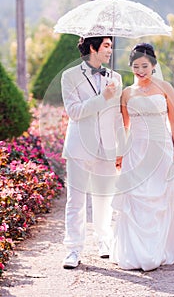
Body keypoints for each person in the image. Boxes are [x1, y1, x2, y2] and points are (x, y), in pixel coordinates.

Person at [110, 43, 174, 271]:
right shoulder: (127, 93)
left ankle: (164, 247)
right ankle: (137, 251)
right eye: (135, 66)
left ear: (153, 65)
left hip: (161, 150)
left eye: (144, 66)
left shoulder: (165, 88)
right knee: (136, 199)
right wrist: (120, 152)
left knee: (162, 198)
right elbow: (125, 126)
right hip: (136, 153)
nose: (140, 70)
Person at [61, 36, 123, 269]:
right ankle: (73, 250)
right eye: (106, 45)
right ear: (92, 48)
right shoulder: (70, 77)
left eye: (110, 45)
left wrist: (120, 147)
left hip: (106, 147)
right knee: (75, 200)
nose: (110, 50)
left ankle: (104, 241)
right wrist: (102, 98)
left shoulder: (116, 78)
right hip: (79, 147)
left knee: (104, 199)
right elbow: (75, 112)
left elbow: (117, 115)